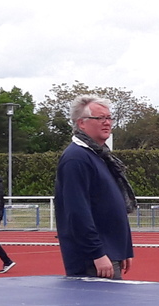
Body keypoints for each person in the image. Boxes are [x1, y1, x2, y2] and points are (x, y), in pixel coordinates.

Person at [54, 95, 136, 279]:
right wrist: (96, 253)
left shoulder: (100, 156)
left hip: (111, 252)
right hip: (94, 259)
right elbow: (77, 212)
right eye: (100, 118)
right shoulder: (76, 158)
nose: (107, 122)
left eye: (109, 118)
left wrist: (123, 248)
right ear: (81, 123)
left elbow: (111, 205)